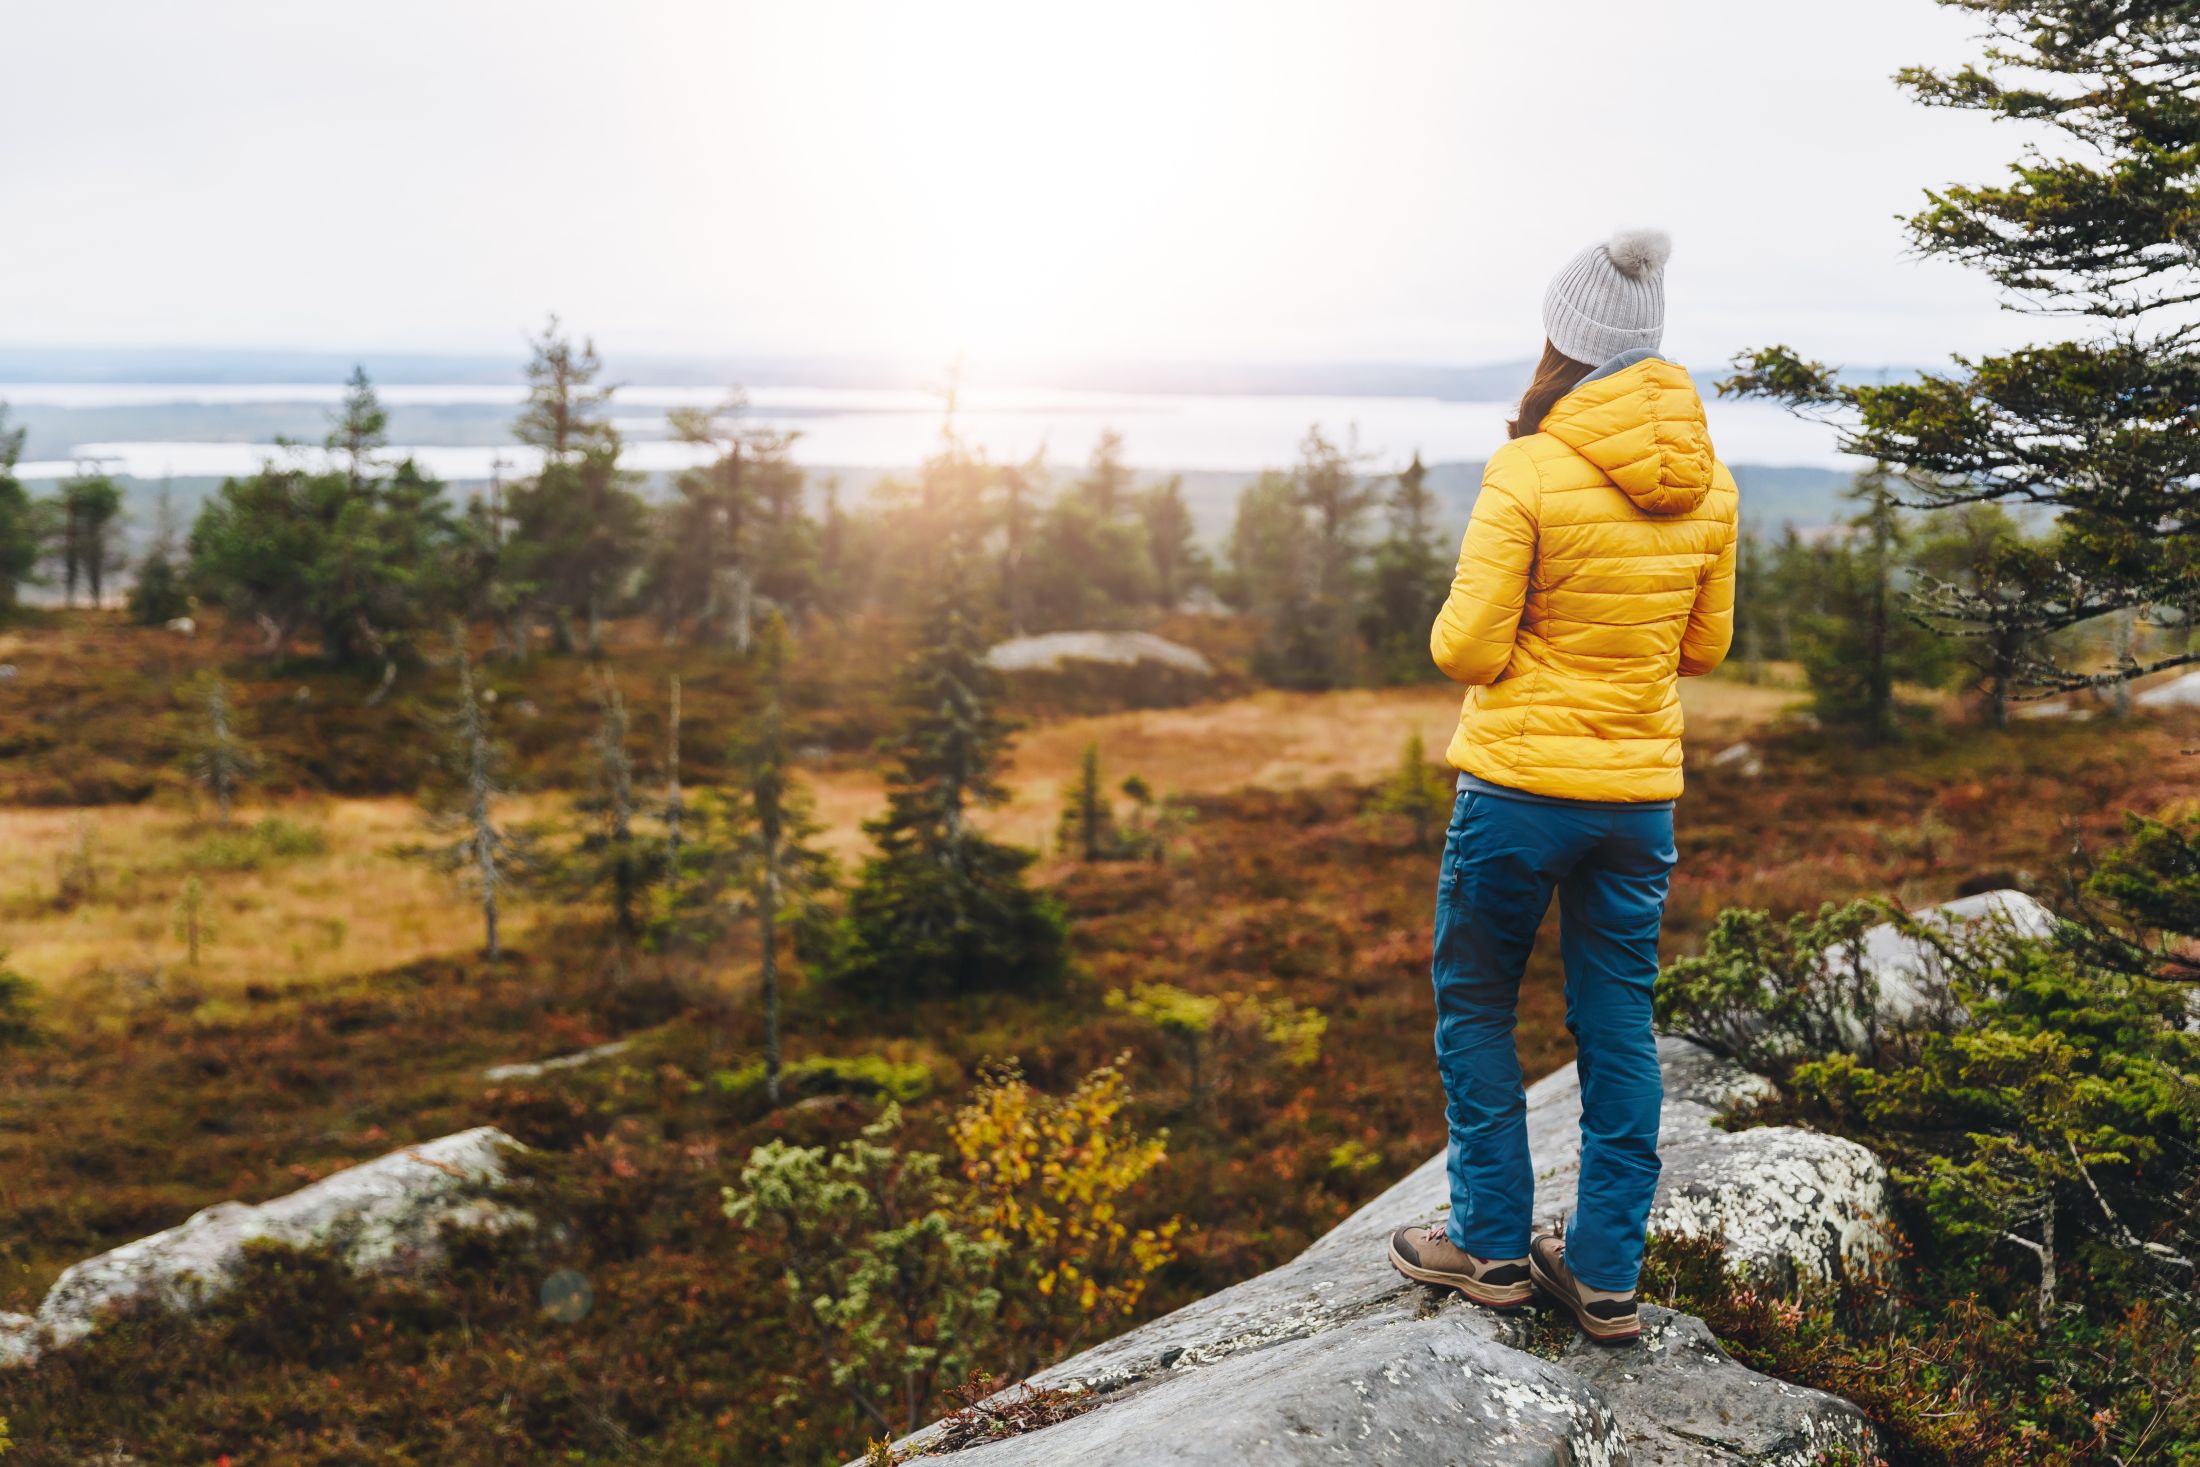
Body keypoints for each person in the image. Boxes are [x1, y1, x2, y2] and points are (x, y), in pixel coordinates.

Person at [1384, 228, 1738, 1345]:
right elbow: (1704, 648)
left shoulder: (1528, 468)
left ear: (1563, 340)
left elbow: (1464, 647)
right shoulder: (1713, 480)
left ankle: (1489, 1246)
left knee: (1477, 999)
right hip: (1637, 802)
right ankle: (1603, 1272)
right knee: (1618, 1022)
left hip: (1518, 793)